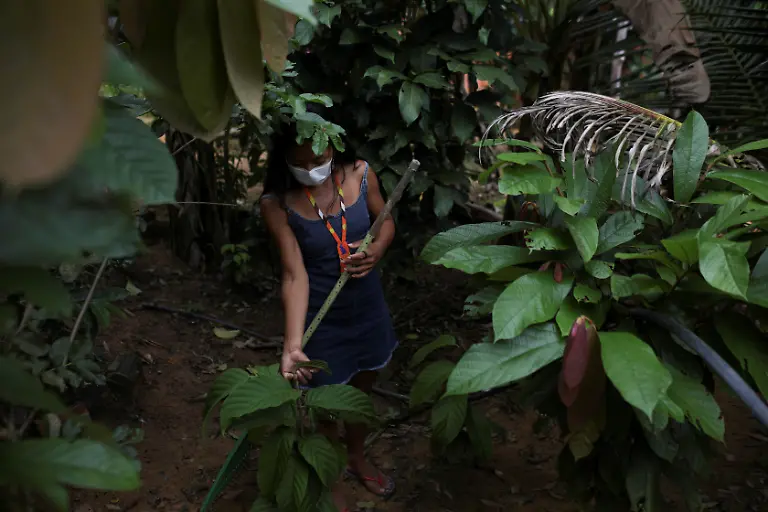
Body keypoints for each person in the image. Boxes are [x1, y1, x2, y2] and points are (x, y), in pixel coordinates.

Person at [259, 114, 398, 511]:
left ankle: (356, 457)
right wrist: (292, 345)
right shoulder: (277, 203)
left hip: (368, 311)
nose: (310, 169)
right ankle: (331, 474)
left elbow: (386, 222)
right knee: (324, 404)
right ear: (284, 159)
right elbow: (294, 274)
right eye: (299, 163)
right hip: (321, 319)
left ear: (333, 147)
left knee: (361, 394)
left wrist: (376, 249)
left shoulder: (361, 174)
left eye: (317, 159)